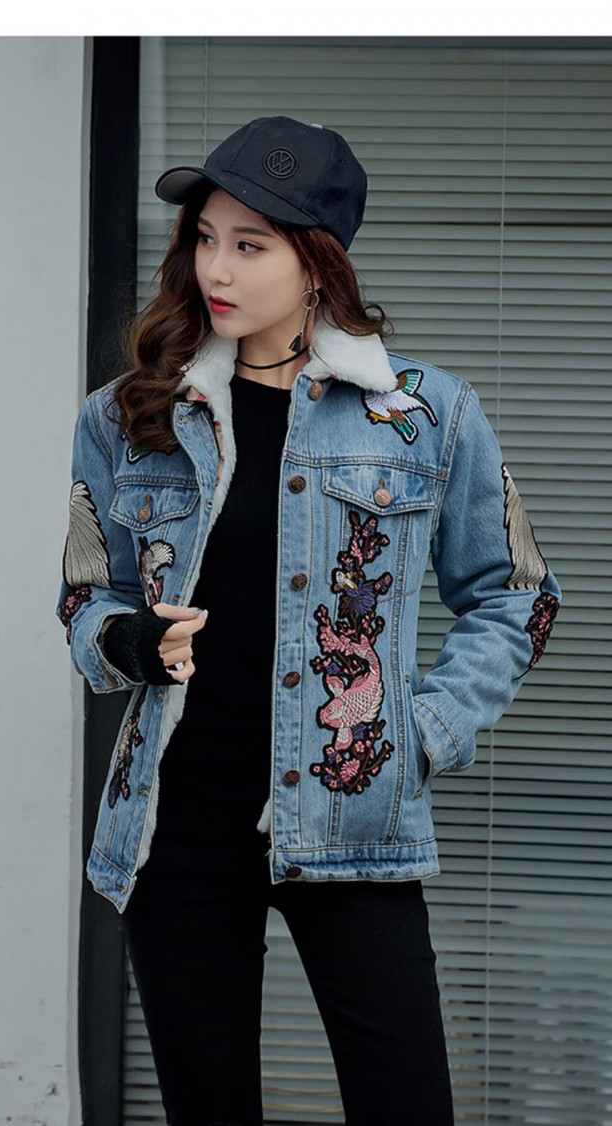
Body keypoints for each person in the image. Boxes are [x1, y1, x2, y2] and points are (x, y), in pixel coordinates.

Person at [57, 116, 561, 1126]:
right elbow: (85, 592)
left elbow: (519, 595)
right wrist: (127, 641)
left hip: (354, 818)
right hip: (178, 825)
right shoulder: (127, 415)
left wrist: (421, 731)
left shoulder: (425, 414)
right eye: (206, 238)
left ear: (317, 262)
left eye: (250, 245)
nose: (216, 268)